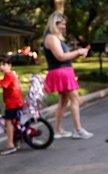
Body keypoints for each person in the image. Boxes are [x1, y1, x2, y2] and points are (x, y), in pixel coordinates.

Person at [43, 11, 93, 139]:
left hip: (63, 71)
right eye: (62, 24)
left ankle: (58, 130)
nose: (64, 27)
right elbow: (60, 57)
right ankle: (78, 130)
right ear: (55, 23)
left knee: (63, 101)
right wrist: (78, 52)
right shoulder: (52, 38)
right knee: (75, 99)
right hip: (61, 72)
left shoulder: (54, 37)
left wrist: (78, 53)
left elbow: (65, 57)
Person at [0, 55, 24, 155]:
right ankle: (16, 140)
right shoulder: (12, 74)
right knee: (13, 122)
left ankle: (10, 145)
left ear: (9, 65)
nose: (1, 67)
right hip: (16, 102)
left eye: (4, 64)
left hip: (13, 103)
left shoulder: (9, 76)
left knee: (8, 122)